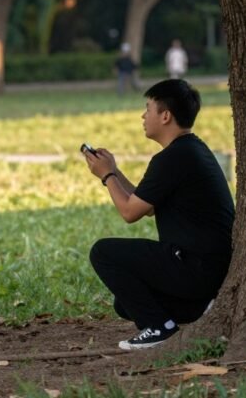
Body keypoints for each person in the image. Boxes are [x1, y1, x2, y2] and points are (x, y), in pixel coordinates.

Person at [82, 79, 234, 350]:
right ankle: (201, 309)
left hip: (196, 267)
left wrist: (106, 176)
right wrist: (113, 170)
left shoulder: (173, 158)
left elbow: (130, 212)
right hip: (208, 270)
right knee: (125, 303)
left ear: (165, 116)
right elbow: (147, 205)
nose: (143, 116)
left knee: (103, 252)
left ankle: (159, 328)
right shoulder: (189, 150)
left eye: (148, 108)